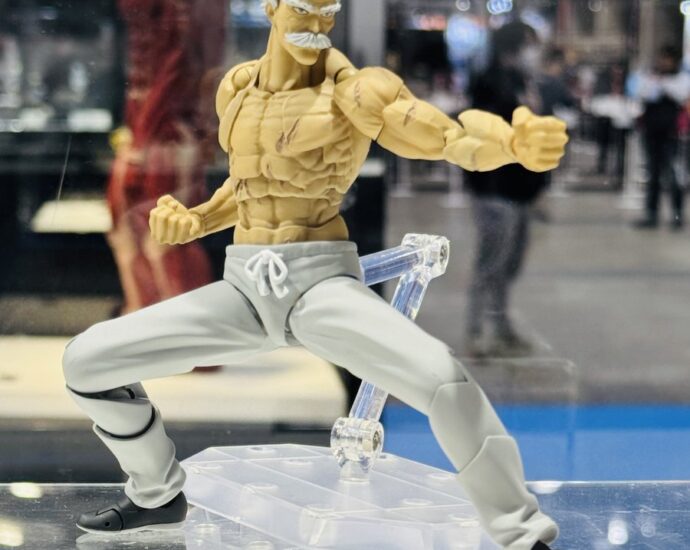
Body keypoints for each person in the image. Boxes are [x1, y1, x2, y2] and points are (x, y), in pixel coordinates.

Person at [62, 1, 567, 548]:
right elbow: (249, 183)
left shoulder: (357, 92)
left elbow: (446, 138)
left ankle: (521, 531)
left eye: (328, 11)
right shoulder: (238, 87)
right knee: (87, 361)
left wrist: (513, 146)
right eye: (305, 9)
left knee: (444, 380)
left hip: (318, 284)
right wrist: (197, 220)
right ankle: (156, 493)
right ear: (273, 8)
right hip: (245, 285)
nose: (318, 23)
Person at [106, 0, 225, 315]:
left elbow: (185, 60)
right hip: (145, 125)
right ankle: (141, 317)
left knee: (166, 238)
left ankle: (185, 327)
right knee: (125, 233)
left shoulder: (188, 13)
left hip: (168, 130)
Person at [463, 21, 549, 358]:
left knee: (509, 265)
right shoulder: (489, 82)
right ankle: (476, 332)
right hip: (494, 188)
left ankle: (501, 328)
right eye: (529, 45)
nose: (533, 52)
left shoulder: (522, 81)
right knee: (490, 263)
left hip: (520, 187)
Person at [631, 45, 690, 230]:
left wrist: (664, 85)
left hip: (671, 134)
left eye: (666, 59)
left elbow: (681, 95)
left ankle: (677, 213)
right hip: (652, 131)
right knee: (653, 173)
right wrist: (655, 83)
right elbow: (642, 93)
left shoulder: (681, 78)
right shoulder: (650, 76)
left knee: (673, 174)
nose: (663, 62)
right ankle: (651, 213)